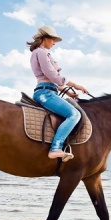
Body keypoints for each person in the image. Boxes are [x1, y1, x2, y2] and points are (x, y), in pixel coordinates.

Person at [28, 25, 89, 162]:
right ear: (45, 38)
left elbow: (50, 79)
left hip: (47, 90)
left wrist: (68, 93)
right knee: (74, 114)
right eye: (53, 39)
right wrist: (76, 85)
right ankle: (55, 148)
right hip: (46, 93)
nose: (54, 43)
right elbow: (53, 75)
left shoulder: (39, 53)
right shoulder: (41, 52)